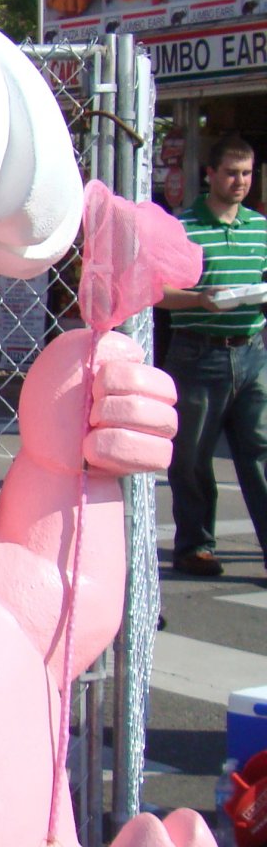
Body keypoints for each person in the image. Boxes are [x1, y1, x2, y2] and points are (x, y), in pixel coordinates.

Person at [156, 132, 267, 577]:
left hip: (252, 353)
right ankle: (196, 546)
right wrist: (200, 299)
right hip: (197, 353)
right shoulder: (183, 227)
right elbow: (159, 292)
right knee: (193, 458)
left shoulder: (260, 227)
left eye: (247, 174)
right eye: (232, 173)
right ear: (210, 175)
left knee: (259, 453)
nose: (240, 182)